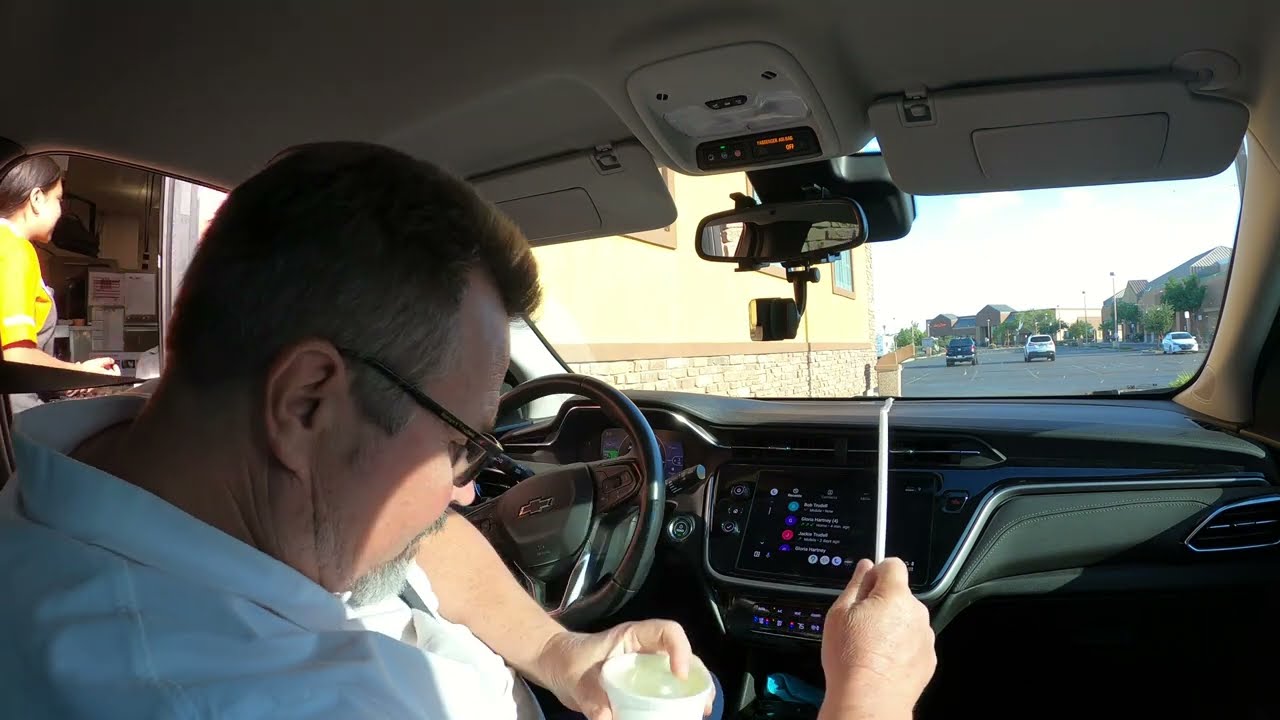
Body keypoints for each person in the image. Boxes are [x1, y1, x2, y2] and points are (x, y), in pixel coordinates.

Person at [0, 142, 935, 718]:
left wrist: (563, 655)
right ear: (306, 403)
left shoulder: (104, 482)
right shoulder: (249, 698)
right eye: (462, 442)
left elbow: (419, 534)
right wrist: (870, 696)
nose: (468, 489)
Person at [0, 156, 119, 412]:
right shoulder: (14, 249)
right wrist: (81, 373)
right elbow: (16, 358)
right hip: (15, 419)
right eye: (58, 199)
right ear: (36, 199)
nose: (61, 211)